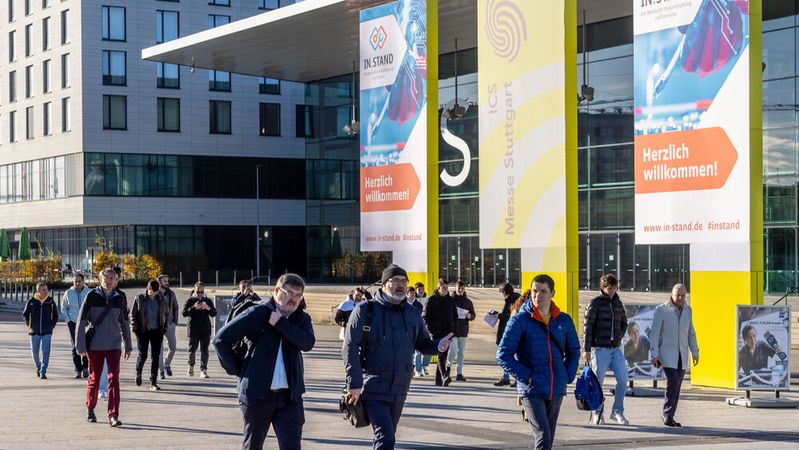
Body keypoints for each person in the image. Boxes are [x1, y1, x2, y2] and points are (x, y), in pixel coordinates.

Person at [343, 264, 452, 450]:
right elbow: (350, 347)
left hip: (400, 388)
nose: (400, 285)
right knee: (385, 437)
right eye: (395, 280)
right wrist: (354, 383)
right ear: (384, 284)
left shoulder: (413, 313)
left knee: (387, 435)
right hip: (373, 386)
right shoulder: (365, 310)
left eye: (404, 281)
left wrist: (438, 346)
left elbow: (423, 343)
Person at [214, 273, 314, 450]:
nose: (294, 299)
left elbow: (307, 343)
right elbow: (220, 340)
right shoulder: (257, 313)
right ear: (277, 291)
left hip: (290, 399)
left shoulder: (301, 318)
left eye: (298, 295)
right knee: (252, 446)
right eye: (290, 293)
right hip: (257, 396)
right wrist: (239, 369)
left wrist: (281, 323)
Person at [497, 274, 580, 450]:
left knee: (549, 436)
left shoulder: (564, 320)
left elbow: (574, 351)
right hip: (532, 388)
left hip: (556, 387)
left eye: (543, 291)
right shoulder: (519, 320)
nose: (538, 295)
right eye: (535, 291)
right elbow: (503, 355)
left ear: (552, 293)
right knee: (543, 434)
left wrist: (567, 375)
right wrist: (526, 376)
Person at [76, 267, 132, 427]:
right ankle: (90, 407)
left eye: (112, 278)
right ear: (100, 279)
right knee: (94, 378)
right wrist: (81, 346)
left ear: (116, 281)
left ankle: (113, 414)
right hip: (95, 345)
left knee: (114, 378)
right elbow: (81, 322)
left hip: (114, 345)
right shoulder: (91, 296)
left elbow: (125, 323)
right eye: (106, 278)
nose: (109, 281)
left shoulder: (120, 298)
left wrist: (128, 345)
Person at [649, 283, 699, 428]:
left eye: (683, 296)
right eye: (678, 295)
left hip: (682, 355)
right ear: (672, 294)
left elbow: (691, 333)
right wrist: (654, 354)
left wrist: (695, 352)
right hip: (666, 354)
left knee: (677, 386)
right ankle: (667, 414)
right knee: (673, 381)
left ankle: (670, 415)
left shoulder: (688, 310)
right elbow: (654, 334)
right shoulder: (661, 310)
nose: (681, 298)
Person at [582, 273, 629, 426]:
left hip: (615, 349)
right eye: (609, 288)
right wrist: (586, 349)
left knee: (623, 379)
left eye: (614, 288)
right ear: (602, 287)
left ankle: (617, 411)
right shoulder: (595, 303)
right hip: (599, 349)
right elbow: (588, 327)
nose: (612, 291)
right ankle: (597, 412)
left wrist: (619, 336)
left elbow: (624, 323)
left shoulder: (618, 303)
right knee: (598, 383)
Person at [130, 280, 170, 391]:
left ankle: (153, 382)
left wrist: (164, 328)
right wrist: (135, 328)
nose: (154, 294)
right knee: (143, 355)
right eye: (152, 292)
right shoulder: (139, 298)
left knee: (155, 357)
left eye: (156, 292)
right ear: (148, 289)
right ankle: (138, 372)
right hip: (143, 330)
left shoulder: (162, 299)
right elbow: (133, 315)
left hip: (157, 331)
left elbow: (166, 315)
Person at [423, 278, 457, 387]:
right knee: (440, 353)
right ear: (438, 288)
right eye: (443, 288)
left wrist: (453, 330)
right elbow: (425, 317)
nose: (446, 290)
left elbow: (455, 316)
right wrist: (430, 331)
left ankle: (439, 381)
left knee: (443, 355)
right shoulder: (431, 300)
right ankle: (444, 376)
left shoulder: (451, 300)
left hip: (448, 332)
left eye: (447, 288)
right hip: (436, 332)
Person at [23, 282, 59, 379]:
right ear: (38, 290)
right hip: (34, 332)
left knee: (46, 352)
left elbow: (56, 316)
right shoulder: (31, 301)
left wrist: (52, 325)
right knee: (35, 353)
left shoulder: (50, 301)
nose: (46, 291)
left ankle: (43, 371)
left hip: (47, 332)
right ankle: (38, 367)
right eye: (43, 290)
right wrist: (29, 325)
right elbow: (25, 315)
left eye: (47, 289)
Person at [183, 281, 217, 378]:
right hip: (193, 330)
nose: (200, 294)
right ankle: (191, 365)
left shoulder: (207, 300)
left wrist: (208, 308)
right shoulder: (190, 300)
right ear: (194, 290)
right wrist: (193, 308)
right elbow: (184, 313)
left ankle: (203, 370)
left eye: (202, 292)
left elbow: (214, 313)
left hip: (205, 329)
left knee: (204, 350)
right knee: (192, 350)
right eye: (198, 292)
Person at [61, 274, 90, 378]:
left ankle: (85, 368)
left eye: (79, 281)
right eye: (75, 281)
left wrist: (90, 319)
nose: (77, 283)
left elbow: (92, 307)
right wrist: (68, 320)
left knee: (86, 345)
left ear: (83, 281)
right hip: (73, 323)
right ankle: (78, 369)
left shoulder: (88, 292)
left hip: (86, 323)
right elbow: (63, 308)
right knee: (75, 346)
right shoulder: (68, 293)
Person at [448, 280, 475, 381]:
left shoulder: (468, 302)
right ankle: (447, 370)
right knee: (453, 351)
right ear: (455, 288)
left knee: (461, 353)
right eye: (459, 288)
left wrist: (470, 316)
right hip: (452, 331)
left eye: (462, 288)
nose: (460, 290)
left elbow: (473, 314)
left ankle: (459, 373)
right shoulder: (450, 300)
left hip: (463, 330)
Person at [495, 282, 521, 386]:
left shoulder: (513, 301)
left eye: (502, 292)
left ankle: (516, 378)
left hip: (510, 332)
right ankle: (506, 377)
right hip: (509, 331)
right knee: (506, 355)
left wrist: (500, 316)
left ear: (505, 292)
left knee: (508, 355)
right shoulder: (513, 300)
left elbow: (512, 317)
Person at [157, 274, 179, 379]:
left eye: (167, 281)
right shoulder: (155, 293)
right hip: (157, 326)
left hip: (170, 324)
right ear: (159, 282)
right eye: (164, 281)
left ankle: (167, 364)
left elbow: (176, 307)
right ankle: (161, 371)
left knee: (173, 347)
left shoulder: (171, 293)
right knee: (159, 350)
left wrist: (175, 322)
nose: (167, 283)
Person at [413, 282, 432, 376]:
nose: (421, 291)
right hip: (416, 327)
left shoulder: (428, 300)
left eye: (422, 289)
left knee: (429, 348)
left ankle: (425, 365)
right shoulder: (412, 301)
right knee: (417, 351)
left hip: (427, 327)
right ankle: (418, 370)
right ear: (415, 290)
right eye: (419, 289)